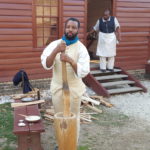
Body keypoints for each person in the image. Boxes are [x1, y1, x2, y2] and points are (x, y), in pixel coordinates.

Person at [41, 17, 90, 149]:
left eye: (74, 27)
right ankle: (61, 144)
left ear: (77, 30)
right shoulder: (54, 44)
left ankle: (71, 144)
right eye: (68, 26)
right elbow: (46, 64)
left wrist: (71, 61)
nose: (70, 29)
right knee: (59, 117)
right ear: (65, 27)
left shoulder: (81, 49)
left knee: (73, 118)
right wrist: (56, 50)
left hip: (74, 89)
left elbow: (84, 71)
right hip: (57, 88)